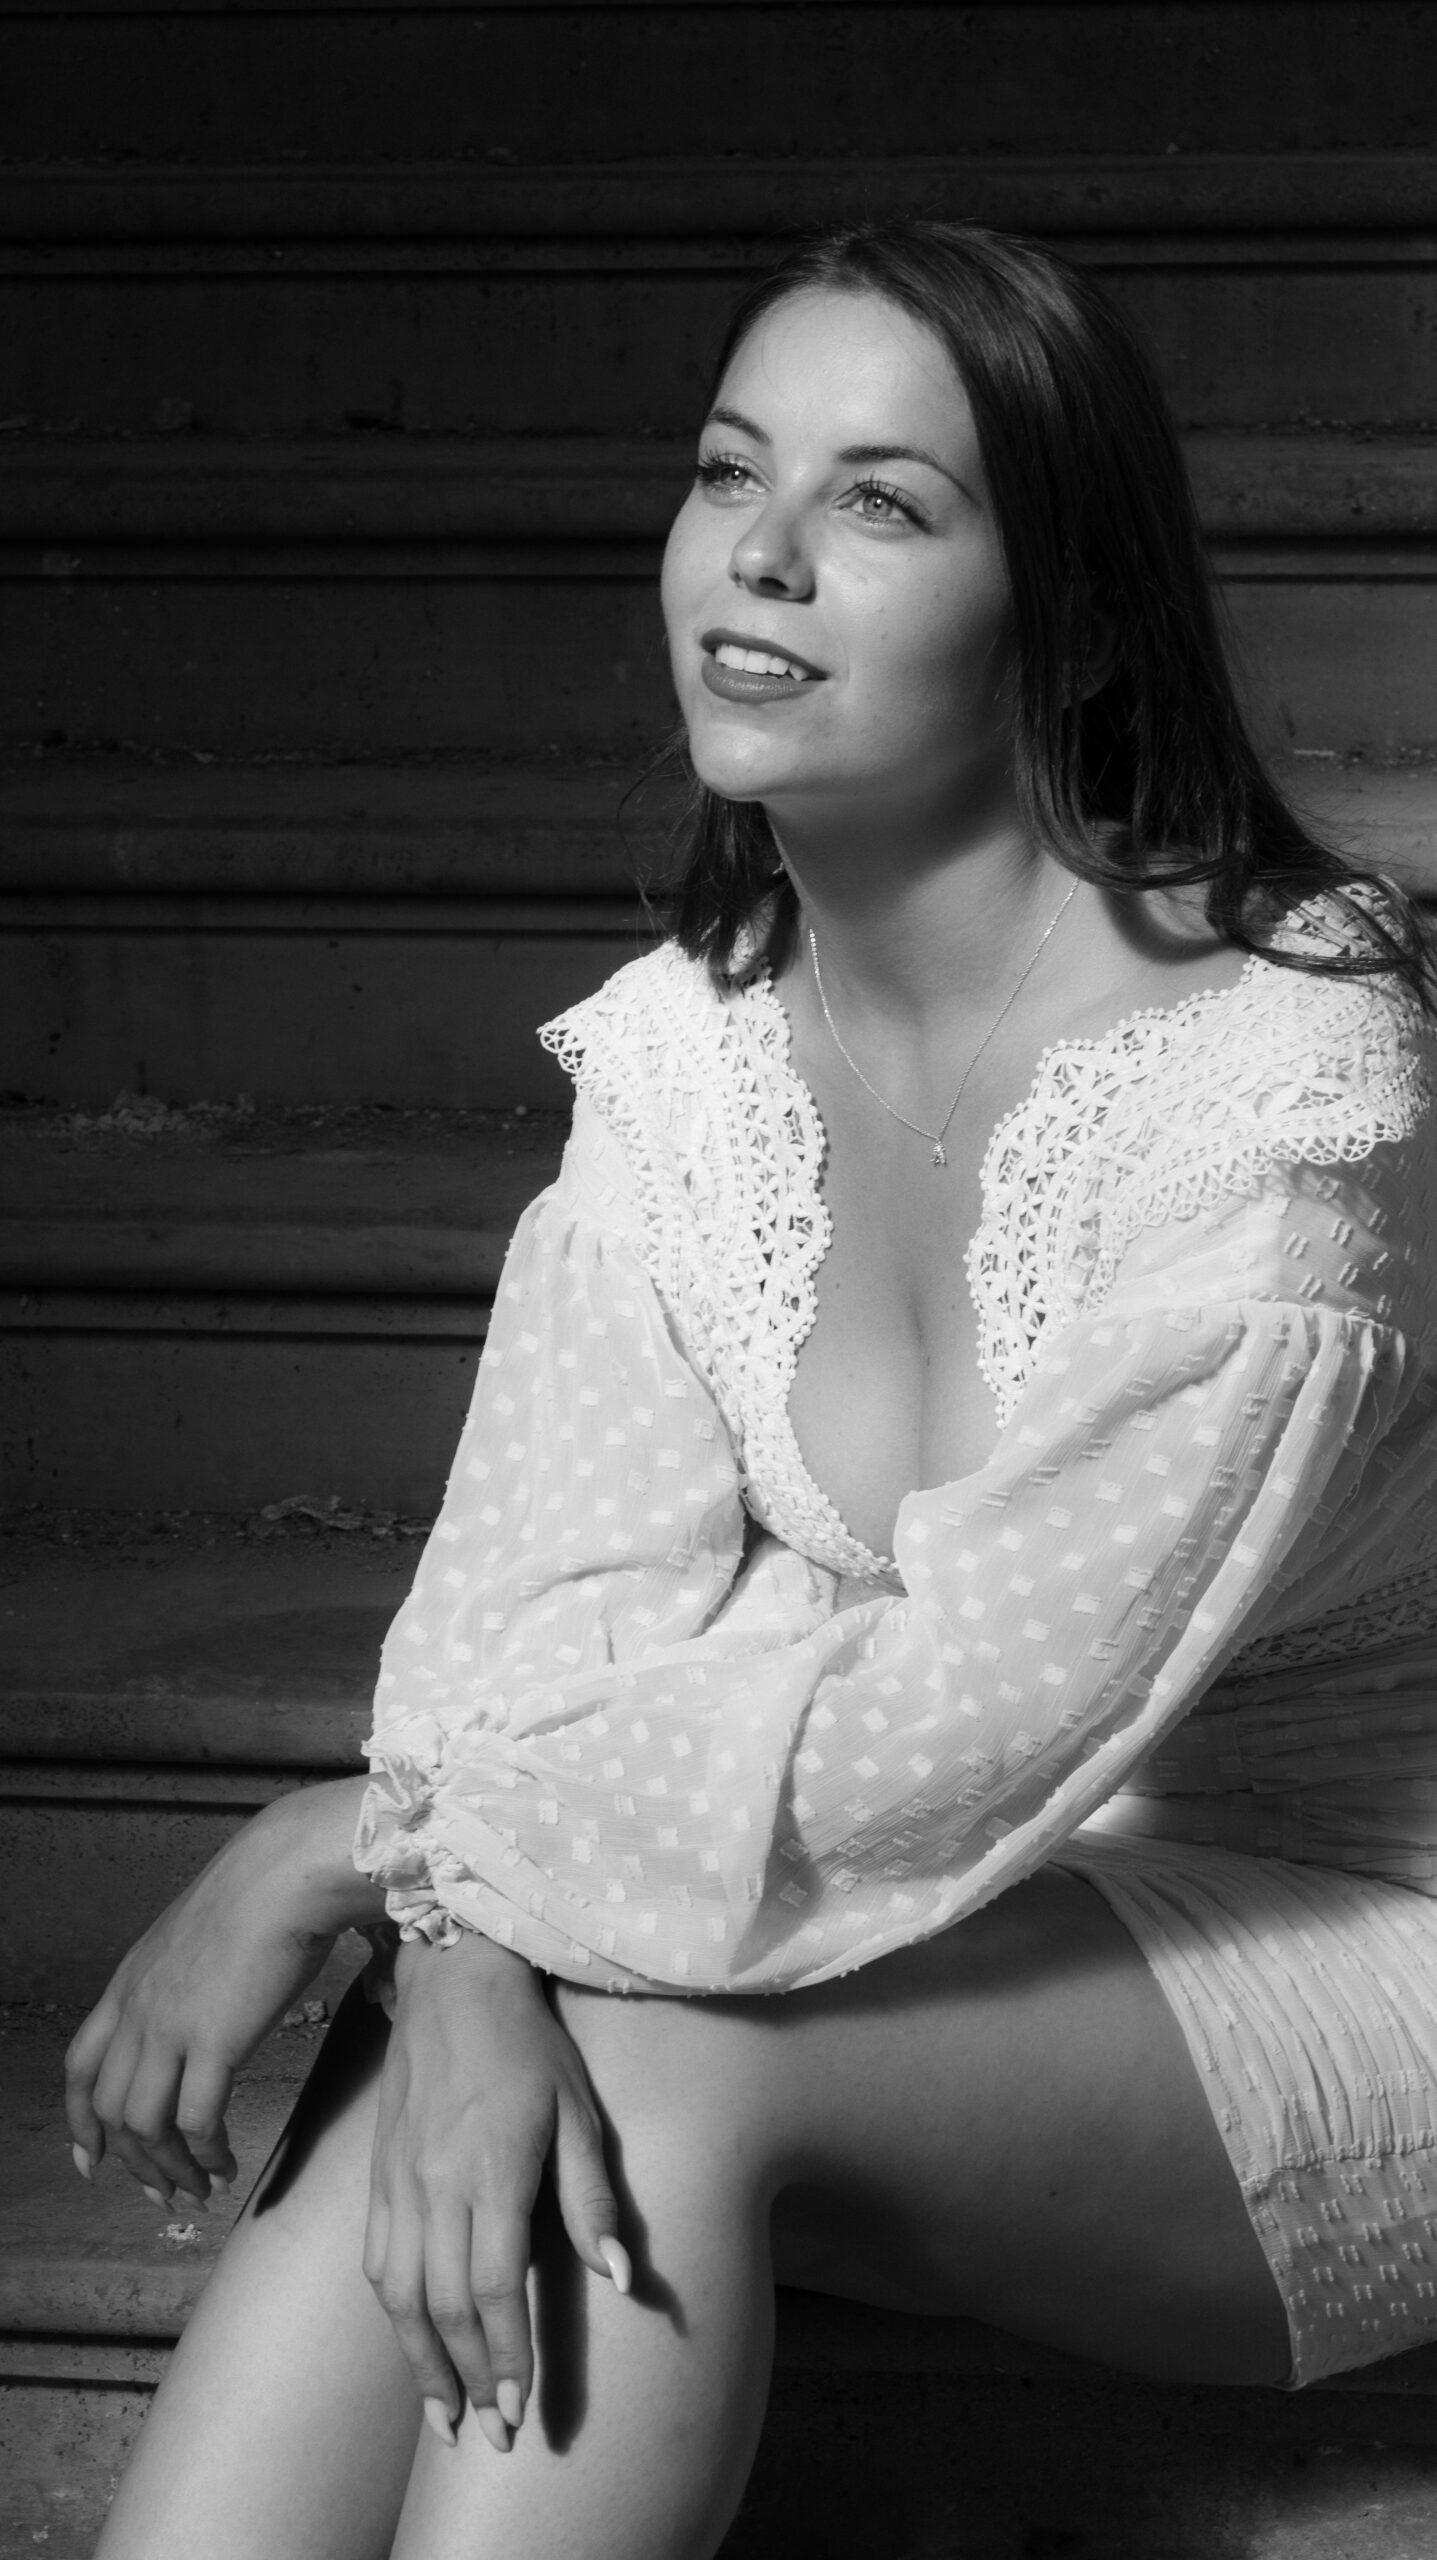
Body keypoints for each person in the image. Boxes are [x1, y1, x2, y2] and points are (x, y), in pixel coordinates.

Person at [68, 221, 1437, 2560]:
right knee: (495, 2041)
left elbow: (952, 1720)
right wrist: (458, 1943)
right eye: (727, 470)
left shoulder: (1279, 1075)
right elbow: (528, 1608)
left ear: (1072, 617)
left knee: (645, 2059)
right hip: (962, 1908)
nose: (761, 555)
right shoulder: (685, 1057)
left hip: (1346, 1920)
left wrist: (356, 1848)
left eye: (881, 501)